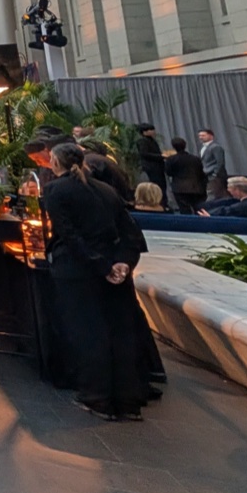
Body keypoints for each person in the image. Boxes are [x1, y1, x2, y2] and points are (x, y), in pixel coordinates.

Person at [40, 144, 148, 422]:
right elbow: (129, 231)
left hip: (79, 271)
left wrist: (101, 266)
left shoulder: (56, 190)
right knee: (120, 333)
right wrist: (122, 263)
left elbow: (70, 236)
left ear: (54, 163)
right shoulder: (107, 190)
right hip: (115, 268)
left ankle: (97, 397)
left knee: (88, 333)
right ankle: (128, 401)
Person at [163, 137, 206, 213]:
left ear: (173, 147)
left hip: (180, 187)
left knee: (184, 210)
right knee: (200, 210)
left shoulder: (171, 159)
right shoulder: (195, 158)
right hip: (197, 186)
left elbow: (168, 172)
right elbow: (201, 172)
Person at [199, 129, 228, 201]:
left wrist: (215, 173)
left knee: (213, 194)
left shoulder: (215, 147)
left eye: (203, 135)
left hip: (215, 175)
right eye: (199, 136)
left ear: (211, 136)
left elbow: (220, 162)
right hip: (207, 175)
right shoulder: (203, 148)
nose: (201, 137)